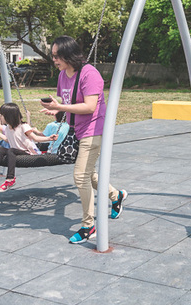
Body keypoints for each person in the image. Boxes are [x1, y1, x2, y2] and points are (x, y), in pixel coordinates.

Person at [41, 35, 127, 244]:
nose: (54, 60)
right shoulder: (63, 75)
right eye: (52, 56)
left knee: (80, 176)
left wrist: (60, 107)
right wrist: (57, 109)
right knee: (88, 174)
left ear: (68, 54)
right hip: (75, 129)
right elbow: (68, 101)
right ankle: (116, 195)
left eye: (56, 56)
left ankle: (88, 226)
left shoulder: (90, 74)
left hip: (94, 129)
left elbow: (89, 107)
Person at [0, 103, 52, 192]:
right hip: (15, 151)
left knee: (11, 150)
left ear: (8, 117)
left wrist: (49, 138)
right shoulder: (8, 128)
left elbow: (36, 138)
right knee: (1, 149)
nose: (0, 117)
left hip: (28, 152)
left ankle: (10, 179)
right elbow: (9, 139)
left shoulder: (23, 126)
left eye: (2, 115)